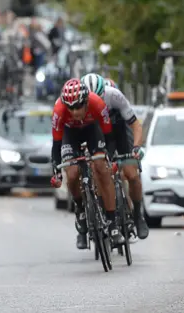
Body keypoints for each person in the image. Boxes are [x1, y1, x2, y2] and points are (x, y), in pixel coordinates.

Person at [50, 79, 124, 248]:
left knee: (101, 169)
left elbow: (109, 136)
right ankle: (80, 210)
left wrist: (109, 158)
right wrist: (56, 171)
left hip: (92, 130)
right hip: (70, 134)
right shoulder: (59, 111)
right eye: (71, 108)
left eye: (78, 107)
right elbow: (56, 144)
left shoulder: (97, 103)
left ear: (86, 101)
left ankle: (112, 225)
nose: (75, 112)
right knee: (73, 172)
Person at [80, 73, 149, 242]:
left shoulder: (115, 96)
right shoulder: (81, 103)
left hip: (119, 133)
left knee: (131, 174)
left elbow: (135, 125)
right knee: (98, 171)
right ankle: (103, 213)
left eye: (100, 97)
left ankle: (138, 215)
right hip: (98, 134)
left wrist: (137, 147)